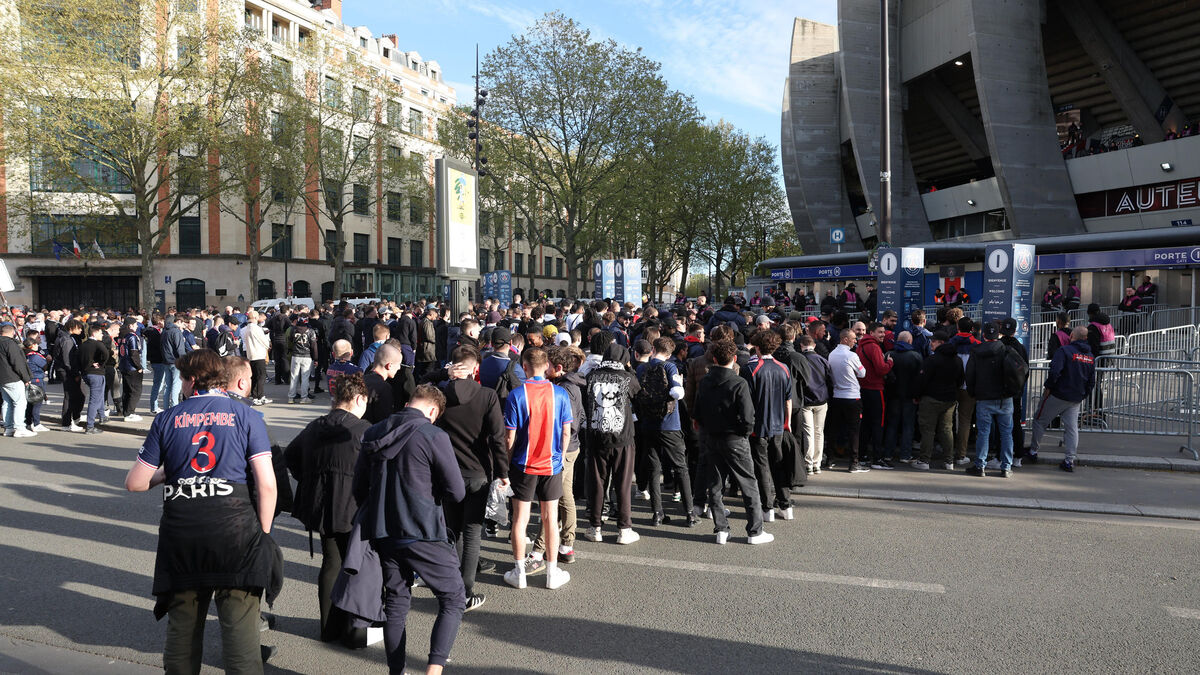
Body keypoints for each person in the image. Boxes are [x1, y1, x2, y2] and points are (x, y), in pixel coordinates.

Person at [124, 349, 279, 675]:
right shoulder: (246, 416)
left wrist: (165, 473)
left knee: (182, 630)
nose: (181, 384)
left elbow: (135, 483)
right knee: (241, 635)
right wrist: (263, 534)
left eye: (182, 377)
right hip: (236, 531)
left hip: (183, 533)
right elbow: (267, 484)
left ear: (192, 379)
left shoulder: (168, 418)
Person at [353, 384, 464, 674]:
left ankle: (396, 671)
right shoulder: (432, 434)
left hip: (384, 531)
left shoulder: (374, 432)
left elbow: (358, 488)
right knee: (453, 598)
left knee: (397, 604)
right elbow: (457, 491)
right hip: (423, 529)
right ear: (432, 410)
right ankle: (434, 670)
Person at [285, 371, 371, 643]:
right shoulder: (363, 430)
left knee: (332, 561)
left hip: (321, 505)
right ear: (358, 398)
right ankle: (354, 631)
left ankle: (328, 628)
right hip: (354, 507)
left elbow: (290, 456)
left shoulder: (316, 425)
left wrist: (310, 480)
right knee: (356, 566)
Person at [436, 346, 507, 611]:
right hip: (478, 471)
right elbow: (498, 438)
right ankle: (464, 592)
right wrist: (503, 473)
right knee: (472, 532)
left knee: (452, 532)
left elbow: (419, 388)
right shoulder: (487, 396)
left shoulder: (440, 394)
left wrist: (442, 374)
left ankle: (451, 586)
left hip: (447, 472)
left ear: (452, 366)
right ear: (475, 369)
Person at [501, 346, 574, 590]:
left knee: (520, 520)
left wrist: (507, 462)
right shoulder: (560, 394)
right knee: (550, 519)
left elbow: (509, 438)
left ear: (524, 367)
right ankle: (552, 573)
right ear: (547, 366)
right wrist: (561, 457)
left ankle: (519, 572)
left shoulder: (516, 395)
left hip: (523, 464)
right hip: (551, 464)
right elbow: (566, 431)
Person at [693, 340, 771, 545]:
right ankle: (754, 531)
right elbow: (748, 417)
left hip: (712, 436)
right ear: (734, 359)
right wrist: (744, 432)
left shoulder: (706, 381)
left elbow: (698, 412)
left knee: (715, 484)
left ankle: (721, 529)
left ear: (715, 359)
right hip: (734, 437)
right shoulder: (738, 383)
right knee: (748, 483)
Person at [582, 331, 642, 545]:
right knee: (623, 483)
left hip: (596, 437)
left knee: (597, 483)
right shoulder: (628, 378)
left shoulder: (591, 377)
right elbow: (638, 392)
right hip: (622, 438)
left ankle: (595, 526)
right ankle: (624, 529)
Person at [532, 345, 587, 564]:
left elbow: (570, 424)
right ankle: (566, 545)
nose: (544, 371)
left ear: (559, 367)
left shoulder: (565, 388)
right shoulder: (569, 385)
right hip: (569, 447)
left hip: (563, 449)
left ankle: (540, 549)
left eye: (548, 367)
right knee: (564, 497)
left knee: (552, 499)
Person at [636, 336, 697, 526]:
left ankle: (657, 513)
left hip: (648, 423)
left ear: (653, 349)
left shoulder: (641, 368)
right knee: (680, 467)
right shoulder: (670, 367)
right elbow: (678, 393)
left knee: (654, 469)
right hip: (669, 424)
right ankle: (689, 513)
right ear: (670, 354)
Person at [741, 329, 793, 521]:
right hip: (779, 424)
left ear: (757, 346)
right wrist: (788, 423)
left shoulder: (750, 369)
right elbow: (789, 400)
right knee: (778, 464)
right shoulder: (784, 368)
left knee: (762, 467)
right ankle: (785, 504)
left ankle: (767, 507)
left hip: (758, 426)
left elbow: (746, 401)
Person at [1029, 326, 1096, 472]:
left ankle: (1033, 451)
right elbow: (1092, 381)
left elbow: (1055, 372)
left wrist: (1048, 388)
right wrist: (1084, 394)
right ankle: (1069, 460)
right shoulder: (1090, 357)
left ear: (1071, 335)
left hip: (1058, 394)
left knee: (1040, 420)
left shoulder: (1064, 351)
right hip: (1076, 397)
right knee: (1072, 428)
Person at [965, 322, 1014, 477]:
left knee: (983, 432)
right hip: (1004, 398)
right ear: (998, 334)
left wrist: (972, 393)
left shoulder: (976, 351)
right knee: (1006, 433)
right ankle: (1006, 467)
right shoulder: (1006, 350)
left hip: (983, 397)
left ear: (984, 335)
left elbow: (970, 375)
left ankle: (980, 466)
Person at [915, 331, 964, 471]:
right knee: (947, 429)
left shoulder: (932, 360)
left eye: (934, 341)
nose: (931, 343)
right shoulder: (957, 360)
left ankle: (924, 460)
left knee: (928, 430)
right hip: (950, 399)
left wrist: (916, 395)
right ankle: (949, 461)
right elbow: (961, 380)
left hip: (931, 398)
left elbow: (922, 380)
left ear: (941, 343)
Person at [827, 329, 867, 472]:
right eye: (853, 339)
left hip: (837, 396)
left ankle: (830, 459)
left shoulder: (831, 354)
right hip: (852, 397)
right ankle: (854, 463)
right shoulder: (852, 355)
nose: (855, 341)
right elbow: (862, 373)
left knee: (834, 429)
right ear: (844, 339)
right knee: (854, 431)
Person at [857, 322, 893, 469]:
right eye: (880, 332)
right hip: (875, 389)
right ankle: (877, 458)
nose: (883, 335)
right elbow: (881, 369)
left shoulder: (861, 346)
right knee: (878, 424)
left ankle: (863, 455)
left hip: (863, 389)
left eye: (883, 332)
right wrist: (890, 363)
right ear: (871, 333)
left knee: (865, 424)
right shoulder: (874, 347)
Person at [883, 331, 922, 464]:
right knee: (908, 426)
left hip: (892, 396)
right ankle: (905, 455)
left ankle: (888, 453)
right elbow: (919, 379)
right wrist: (917, 395)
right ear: (910, 341)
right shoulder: (916, 356)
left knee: (892, 425)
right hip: (909, 397)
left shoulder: (889, 354)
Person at [797, 335, 832, 475]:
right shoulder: (822, 360)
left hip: (806, 400)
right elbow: (830, 379)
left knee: (808, 432)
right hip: (822, 400)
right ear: (814, 346)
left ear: (801, 346)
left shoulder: (800, 360)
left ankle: (808, 463)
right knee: (819, 432)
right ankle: (817, 463)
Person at [78, 323, 110, 435]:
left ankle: (102, 416)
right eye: (100, 332)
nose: (102, 334)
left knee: (99, 395)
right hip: (96, 373)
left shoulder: (83, 345)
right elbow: (106, 354)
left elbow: (78, 359)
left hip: (86, 373)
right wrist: (101, 364)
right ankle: (90, 426)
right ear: (94, 333)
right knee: (94, 399)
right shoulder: (97, 344)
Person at [363, 344, 403, 425]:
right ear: (389, 365)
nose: (399, 368)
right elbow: (383, 419)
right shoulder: (384, 388)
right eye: (399, 364)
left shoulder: (361, 380)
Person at [57, 319, 85, 430]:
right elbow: (67, 360)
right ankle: (67, 423)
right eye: (79, 328)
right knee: (70, 396)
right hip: (68, 371)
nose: (81, 330)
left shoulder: (65, 337)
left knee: (75, 395)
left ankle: (72, 419)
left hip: (66, 370)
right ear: (72, 328)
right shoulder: (67, 340)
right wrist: (75, 373)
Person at [118, 318, 145, 421]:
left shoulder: (122, 336)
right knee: (135, 391)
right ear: (130, 326)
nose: (137, 326)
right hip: (132, 367)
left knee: (127, 390)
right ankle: (130, 413)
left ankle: (126, 411)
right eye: (135, 325)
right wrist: (139, 367)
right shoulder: (132, 336)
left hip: (124, 366)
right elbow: (134, 353)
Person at [243, 310, 271, 405]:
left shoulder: (247, 328)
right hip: (258, 354)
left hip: (251, 354)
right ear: (255, 317)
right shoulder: (256, 328)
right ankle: (259, 396)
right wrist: (268, 344)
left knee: (255, 376)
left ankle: (256, 396)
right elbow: (264, 341)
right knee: (261, 376)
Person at [286, 317, 316, 404]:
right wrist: (316, 358)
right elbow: (314, 345)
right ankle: (304, 397)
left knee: (293, 377)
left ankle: (291, 397)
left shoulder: (293, 330)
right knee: (305, 377)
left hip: (295, 355)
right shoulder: (310, 331)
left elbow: (290, 341)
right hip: (307, 355)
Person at [23, 337, 49, 433]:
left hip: (29, 380)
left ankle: (28, 422)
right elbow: (45, 365)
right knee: (37, 403)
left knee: (30, 403)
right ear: (32, 345)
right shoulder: (35, 356)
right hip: (37, 379)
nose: (37, 345)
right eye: (36, 344)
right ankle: (37, 423)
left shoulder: (24, 355)